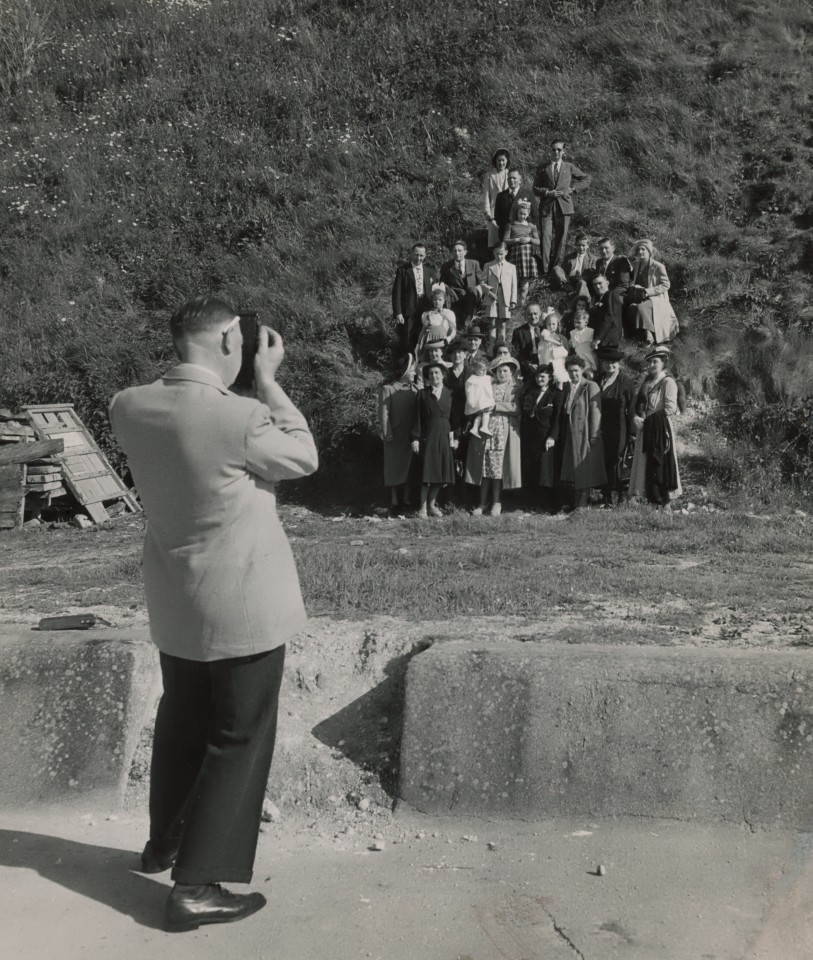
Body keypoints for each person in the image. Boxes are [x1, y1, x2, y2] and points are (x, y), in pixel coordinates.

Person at [109, 296, 319, 932]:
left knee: (183, 718)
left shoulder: (129, 406)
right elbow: (303, 456)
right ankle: (197, 885)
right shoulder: (243, 417)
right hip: (245, 603)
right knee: (239, 735)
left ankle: (164, 842)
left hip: (177, 599)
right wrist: (270, 382)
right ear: (231, 341)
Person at [466, 356, 522, 516]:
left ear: (511, 372)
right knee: (484, 467)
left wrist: (496, 406)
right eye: (499, 371)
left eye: (505, 371)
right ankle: (482, 503)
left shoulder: (516, 387)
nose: (502, 374)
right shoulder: (488, 384)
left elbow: (517, 407)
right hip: (486, 429)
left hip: (503, 431)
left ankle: (496, 503)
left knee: (497, 469)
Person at [628, 346, 682, 507]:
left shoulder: (668, 382)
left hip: (660, 428)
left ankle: (663, 501)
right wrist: (638, 418)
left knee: (661, 463)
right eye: (650, 362)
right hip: (646, 428)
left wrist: (649, 421)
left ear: (663, 363)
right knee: (645, 462)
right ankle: (649, 498)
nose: (651, 365)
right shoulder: (648, 382)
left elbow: (670, 408)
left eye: (655, 362)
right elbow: (640, 405)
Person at [532, 139, 591, 273]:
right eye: (553, 149)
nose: (556, 152)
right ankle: (545, 270)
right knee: (545, 237)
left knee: (561, 238)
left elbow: (586, 179)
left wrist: (573, 189)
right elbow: (535, 188)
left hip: (564, 207)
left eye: (559, 149)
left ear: (563, 151)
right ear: (550, 150)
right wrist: (547, 192)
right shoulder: (542, 167)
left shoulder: (569, 167)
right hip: (546, 207)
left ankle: (556, 269)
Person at [411, 359, 459, 518]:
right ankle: (423, 508)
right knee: (427, 474)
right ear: (427, 377)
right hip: (428, 436)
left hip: (445, 436)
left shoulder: (451, 393)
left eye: (437, 372)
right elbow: (416, 418)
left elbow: (455, 419)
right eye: (431, 373)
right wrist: (415, 438)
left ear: (443, 375)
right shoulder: (422, 394)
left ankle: (432, 505)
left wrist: (456, 438)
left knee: (440, 474)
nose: (434, 376)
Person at [559, 354, 606, 511]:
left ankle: (582, 502)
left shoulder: (590, 386)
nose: (574, 374)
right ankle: (575, 501)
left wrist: (594, 434)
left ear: (582, 370)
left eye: (576, 371)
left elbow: (595, 411)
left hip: (584, 432)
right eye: (571, 371)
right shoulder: (566, 387)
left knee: (584, 467)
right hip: (570, 432)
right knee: (573, 468)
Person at [595, 346, 636, 507]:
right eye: (606, 362)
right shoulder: (599, 379)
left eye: (613, 363)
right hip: (600, 426)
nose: (610, 366)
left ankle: (620, 496)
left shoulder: (625, 381)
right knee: (604, 460)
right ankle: (606, 495)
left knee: (618, 461)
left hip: (620, 426)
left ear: (618, 364)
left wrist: (632, 432)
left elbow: (632, 407)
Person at [380, 355, 421, 516]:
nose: (414, 373)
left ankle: (407, 499)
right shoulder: (388, 389)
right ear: (404, 371)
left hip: (410, 436)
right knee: (394, 468)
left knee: (409, 467)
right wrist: (387, 433)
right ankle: (394, 500)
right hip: (395, 436)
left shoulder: (415, 389)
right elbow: (384, 414)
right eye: (411, 370)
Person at [521, 363, 563, 512]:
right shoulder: (530, 392)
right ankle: (533, 503)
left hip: (546, 437)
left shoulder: (556, 394)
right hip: (530, 437)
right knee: (532, 469)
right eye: (538, 376)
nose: (540, 379)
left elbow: (558, 418)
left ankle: (549, 504)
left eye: (543, 376)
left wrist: (552, 437)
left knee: (546, 471)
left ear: (550, 378)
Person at [625, 239, 679, 344]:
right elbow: (633, 280)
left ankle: (649, 335)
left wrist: (647, 291)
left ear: (649, 252)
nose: (640, 252)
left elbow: (666, 284)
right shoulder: (637, 265)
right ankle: (635, 334)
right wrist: (634, 286)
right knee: (630, 306)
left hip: (655, 298)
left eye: (643, 250)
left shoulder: (658, 266)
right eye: (638, 250)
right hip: (639, 296)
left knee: (640, 308)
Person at [392, 242, 434, 358]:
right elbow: (397, 293)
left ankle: (420, 364)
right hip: (408, 310)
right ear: (411, 254)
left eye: (421, 255)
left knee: (423, 338)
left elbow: (431, 291)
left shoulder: (428, 271)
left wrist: (433, 309)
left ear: (425, 255)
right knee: (407, 339)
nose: (418, 258)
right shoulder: (403, 270)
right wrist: (398, 313)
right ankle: (406, 365)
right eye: (416, 255)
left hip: (425, 310)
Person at [439, 240, 486, 329]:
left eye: (460, 250)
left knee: (472, 290)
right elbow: (442, 283)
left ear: (465, 252)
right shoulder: (446, 266)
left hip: (471, 295)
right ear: (451, 252)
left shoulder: (474, 264)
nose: (457, 253)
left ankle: (468, 317)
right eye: (454, 251)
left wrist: (480, 290)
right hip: (455, 295)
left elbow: (481, 281)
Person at [595, 237, 631, 340]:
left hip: (619, 294)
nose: (603, 251)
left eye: (606, 248)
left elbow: (624, 285)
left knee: (611, 304)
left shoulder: (620, 260)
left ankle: (618, 334)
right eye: (601, 249)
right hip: (603, 295)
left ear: (613, 248)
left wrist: (607, 297)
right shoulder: (599, 263)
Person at [504, 200, 540, 302]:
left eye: (524, 214)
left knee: (524, 284)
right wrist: (516, 240)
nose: (522, 216)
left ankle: (522, 304)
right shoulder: (511, 225)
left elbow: (538, 241)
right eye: (520, 213)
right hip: (516, 255)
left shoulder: (531, 226)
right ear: (517, 213)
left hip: (527, 256)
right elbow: (505, 241)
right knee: (513, 281)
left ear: (528, 214)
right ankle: (511, 302)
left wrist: (530, 239)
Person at [482, 242, 518, 345]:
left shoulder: (511, 267)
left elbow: (514, 285)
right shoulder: (488, 265)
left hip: (505, 296)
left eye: (501, 254)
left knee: (502, 322)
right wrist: (488, 292)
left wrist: (513, 300)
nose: (499, 256)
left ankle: (500, 346)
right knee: (492, 322)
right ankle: (491, 347)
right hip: (492, 296)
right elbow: (483, 282)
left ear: (506, 252)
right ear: (493, 252)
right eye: (497, 254)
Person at [494, 168, 537, 241]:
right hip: (506, 233)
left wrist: (528, 229)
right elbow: (497, 216)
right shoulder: (501, 196)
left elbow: (535, 213)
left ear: (520, 180)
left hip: (524, 234)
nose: (511, 180)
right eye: (509, 178)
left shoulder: (528, 193)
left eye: (514, 178)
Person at [553, 233, 597, 301]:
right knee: (556, 268)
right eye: (578, 245)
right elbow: (563, 271)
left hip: (582, 280)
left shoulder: (593, 259)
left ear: (588, 246)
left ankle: (585, 302)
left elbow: (593, 274)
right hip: (569, 280)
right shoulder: (569, 257)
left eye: (583, 245)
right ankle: (570, 289)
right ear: (575, 245)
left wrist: (581, 277)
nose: (581, 248)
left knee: (582, 283)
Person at [417, 282, 457, 353]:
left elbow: (453, 330)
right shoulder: (427, 314)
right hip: (429, 343)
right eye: (435, 300)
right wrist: (418, 344)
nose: (437, 302)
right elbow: (423, 331)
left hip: (442, 343)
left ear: (444, 300)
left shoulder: (448, 313)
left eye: (440, 300)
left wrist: (449, 338)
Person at [483, 147, 511, 248]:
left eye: (503, 160)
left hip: (508, 211)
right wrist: (487, 212)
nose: (501, 163)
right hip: (494, 212)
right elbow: (486, 195)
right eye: (498, 160)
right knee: (494, 241)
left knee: (507, 240)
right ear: (495, 161)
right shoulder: (489, 176)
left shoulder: (511, 175)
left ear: (507, 161)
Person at [537, 309, 570, 387]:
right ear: (546, 325)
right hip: (547, 359)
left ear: (557, 324)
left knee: (559, 376)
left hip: (557, 360)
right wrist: (557, 343)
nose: (551, 326)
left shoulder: (559, 336)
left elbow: (565, 350)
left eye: (553, 324)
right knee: (549, 377)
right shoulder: (545, 332)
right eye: (549, 324)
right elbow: (545, 337)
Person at [464, 357, 495, 438]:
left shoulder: (487, 377)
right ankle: (484, 427)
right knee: (485, 412)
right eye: (481, 370)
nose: (484, 371)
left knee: (482, 414)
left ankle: (475, 428)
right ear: (474, 369)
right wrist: (471, 402)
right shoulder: (471, 380)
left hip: (485, 398)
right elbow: (469, 392)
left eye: (485, 369)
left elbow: (494, 379)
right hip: (478, 400)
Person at [590, 275, 622, 348]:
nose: (597, 286)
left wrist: (598, 338)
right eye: (595, 284)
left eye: (600, 283)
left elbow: (610, 317)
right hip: (601, 341)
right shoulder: (598, 298)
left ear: (607, 283)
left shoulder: (611, 295)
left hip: (609, 340)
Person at [568, 301, 597, 376]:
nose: (576, 324)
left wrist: (595, 345)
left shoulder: (590, 331)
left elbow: (594, 343)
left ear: (586, 322)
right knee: (579, 373)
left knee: (590, 374)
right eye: (575, 322)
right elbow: (573, 345)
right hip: (579, 357)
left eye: (579, 322)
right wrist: (571, 343)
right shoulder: (572, 332)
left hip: (588, 357)